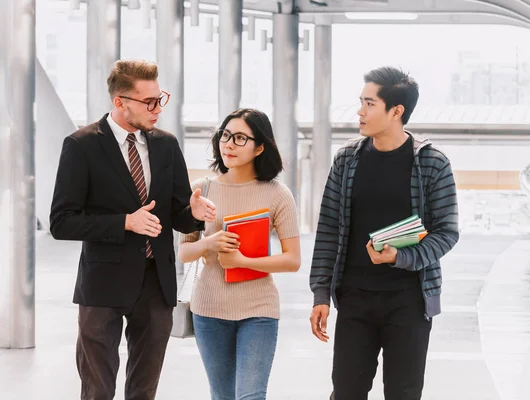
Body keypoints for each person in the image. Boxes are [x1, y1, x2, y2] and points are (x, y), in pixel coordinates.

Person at [49, 59, 216, 400]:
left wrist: (195, 214)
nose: (158, 109)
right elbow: (61, 222)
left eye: (160, 99)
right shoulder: (82, 145)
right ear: (120, 102)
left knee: (144, 391)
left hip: (157, 283)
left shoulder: (166, 144)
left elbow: (177, 216)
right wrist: (125, 222)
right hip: (102, 286)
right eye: (149, 102)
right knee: (98, 389)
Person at [309, 66, 460, 400]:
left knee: (403, 393)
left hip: (409, 299)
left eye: (369, 103)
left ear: (396, 111)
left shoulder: (432, 163)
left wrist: (401, 256)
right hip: (354, 298)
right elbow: (329, 230)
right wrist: (321, 294)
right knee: (346, 392)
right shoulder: (347, 159)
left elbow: (447, 232)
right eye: (361, 102)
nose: (360, 111)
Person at [178, 108, 301, 400]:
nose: (229, 144)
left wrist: (242, 262)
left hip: (259, 310)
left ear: (260, 147)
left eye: (240, 138)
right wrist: (209, 243)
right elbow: (183, 253)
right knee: (222, 396)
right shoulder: (201, 190)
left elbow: (293, 259)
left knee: (250, 396)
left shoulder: (277, 193)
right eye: (225, 135)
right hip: (208, 310)